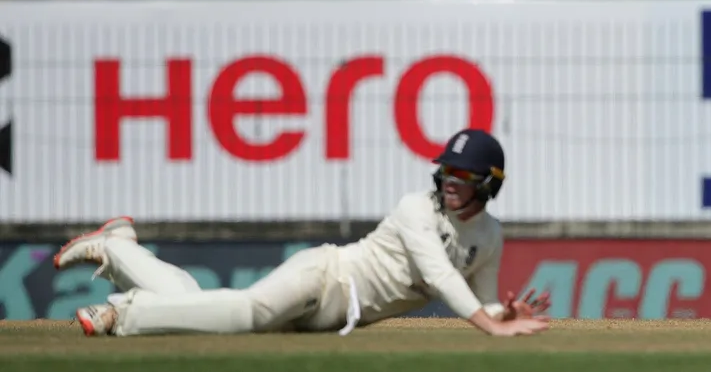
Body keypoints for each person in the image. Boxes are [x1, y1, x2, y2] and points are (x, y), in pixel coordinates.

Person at [55, 128, 551, 337]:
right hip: (326, 277)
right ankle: (123, 315)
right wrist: (492, 326)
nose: (449, 183)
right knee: (247, 313)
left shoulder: (490, 237)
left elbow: (480, 300)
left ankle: (119, 248)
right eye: (446, 172)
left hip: (326, 319)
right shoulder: (414, 209)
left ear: (488, 185)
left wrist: (501, 312)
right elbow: (443, 280)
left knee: (212, 307)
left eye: (463, 177)